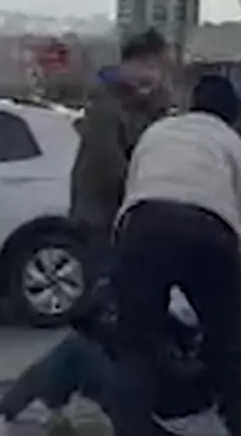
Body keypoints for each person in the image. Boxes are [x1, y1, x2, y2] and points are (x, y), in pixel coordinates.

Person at [104, 73, 241, 436]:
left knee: (135, 339)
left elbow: (134, 183)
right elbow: (238, 219)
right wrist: (232, 283)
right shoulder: (238, 149)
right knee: (227, 336)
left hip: (144, 224)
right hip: (210, 229)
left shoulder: (159, 131)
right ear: (233, 115)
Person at [0, 288, 212, 436]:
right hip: (200, 410)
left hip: (175, 412)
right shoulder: (214, 269)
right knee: (86, 348)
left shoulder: (165, 276)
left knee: (77, 348)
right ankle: (43, 401)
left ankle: (2, 416)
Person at [69, 28, 171, 277]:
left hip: (133, 217)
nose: (151, 73)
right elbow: (106, 160)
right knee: (109, 287)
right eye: (145, 64)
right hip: (103, 216)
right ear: (127, 65)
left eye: (157, 66)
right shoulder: (107, 105)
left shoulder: (152, 108)